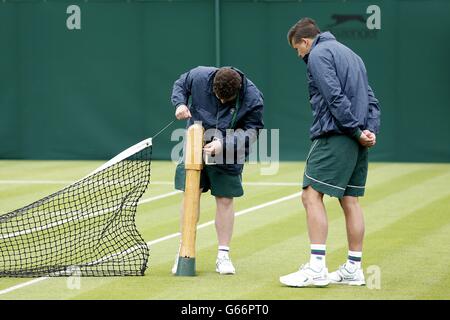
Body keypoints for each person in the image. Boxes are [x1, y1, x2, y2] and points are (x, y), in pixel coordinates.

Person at [280, 18, 381, 287]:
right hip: (357, 137)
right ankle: (353, 269)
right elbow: (371, 99)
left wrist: (355, 131)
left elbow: (334, 97)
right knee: (350, 201)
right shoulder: (353, 55)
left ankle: (316, 269)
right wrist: (368, 131)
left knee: (310, 195)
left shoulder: (318, 54)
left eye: (297, 49)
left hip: (337, 135)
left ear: (305, 41)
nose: (298, 55)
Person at [171, 66, 264, 275]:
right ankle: (183, 250)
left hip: (228, 149)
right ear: (212, 86)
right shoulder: (198, 76)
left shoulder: (252, 97)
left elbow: (252, 130)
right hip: (195, 141)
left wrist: (224, 144)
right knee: (190, 194)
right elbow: (180, 85)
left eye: (228, 100)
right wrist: (179, 104)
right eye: (219, 97)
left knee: (225, 199)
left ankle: (223, 255)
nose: (222, 102)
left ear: (238, 90)